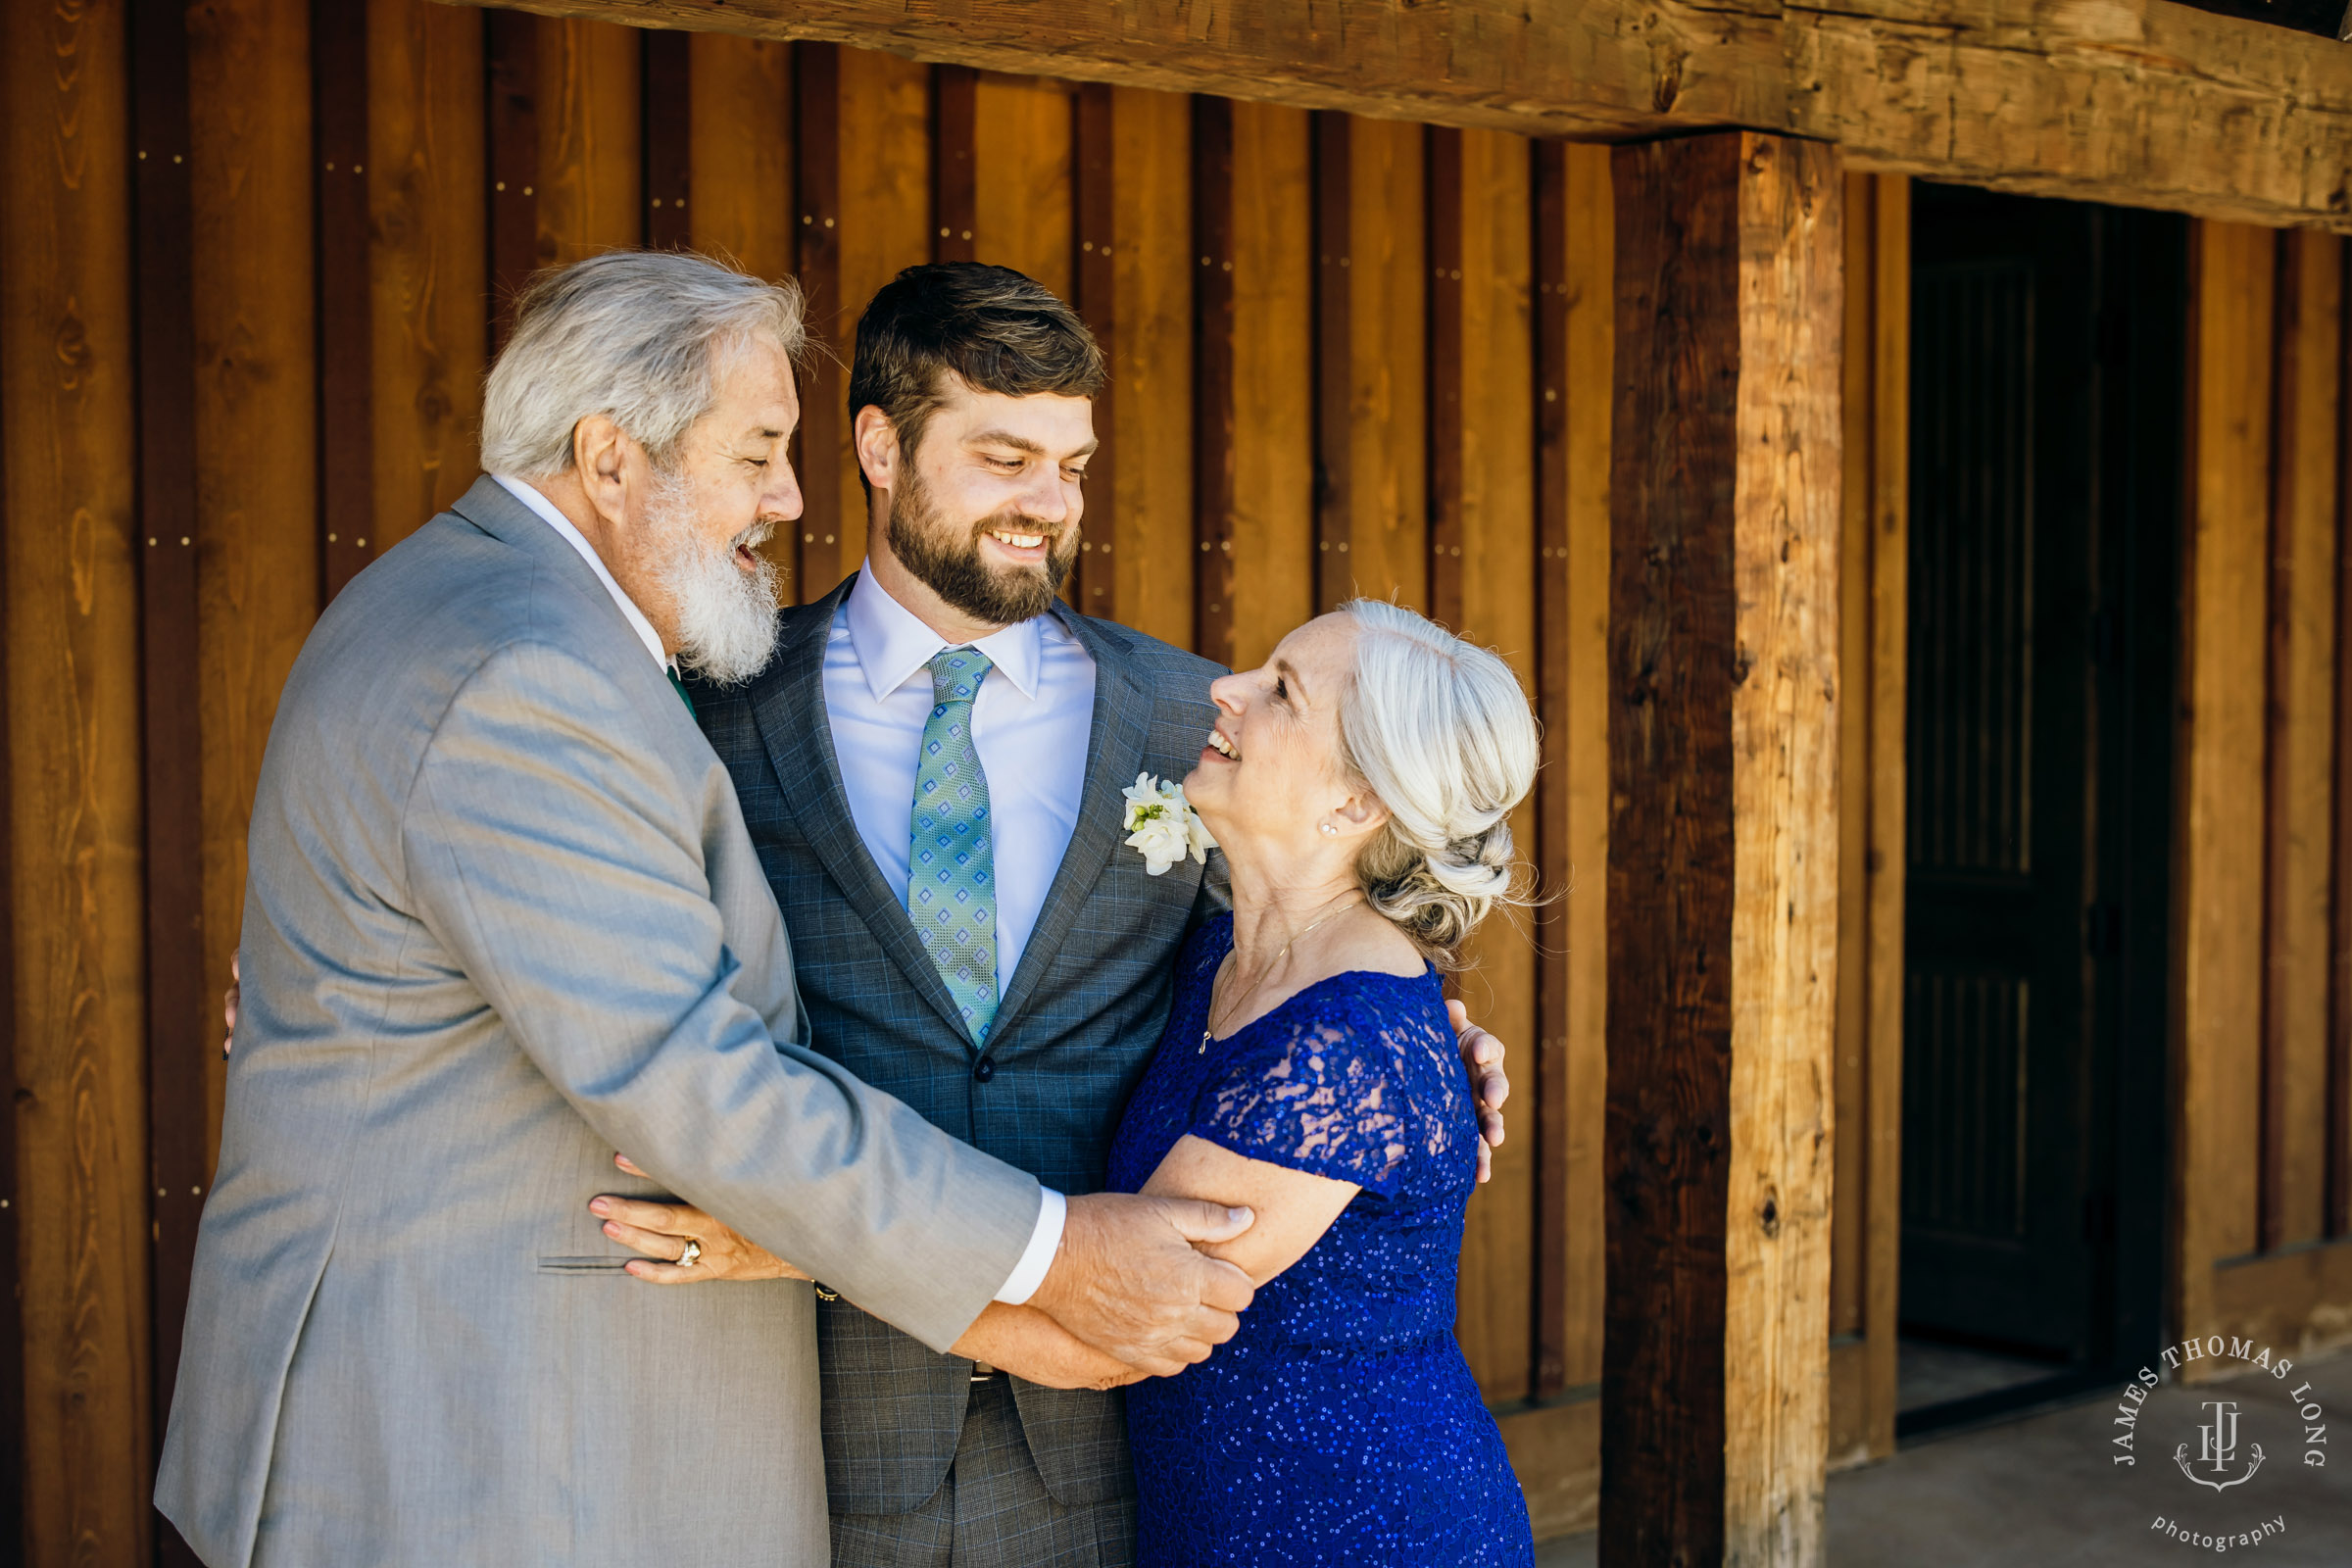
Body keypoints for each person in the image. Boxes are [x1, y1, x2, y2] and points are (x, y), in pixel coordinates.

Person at [157, 251, 1256, 1567]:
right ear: (611, 459)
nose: (789, 502)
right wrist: (1049, 1268)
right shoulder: (550, 674)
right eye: (756, 454)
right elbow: (693, 1075)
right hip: (480, 1426)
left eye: (1069, 464)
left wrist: (1401, 1032)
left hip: (1037, 1454)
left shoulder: (486, 616)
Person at [586, 262, 1517, 1568]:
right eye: (1007, 456)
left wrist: (1428, 1040)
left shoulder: (1188, 719)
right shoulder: (718, 708)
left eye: (1070, 467)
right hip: (812, 1419)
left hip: (1113, 1451)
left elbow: (1315, 949)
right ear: (878, 445)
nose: (1047, 505)